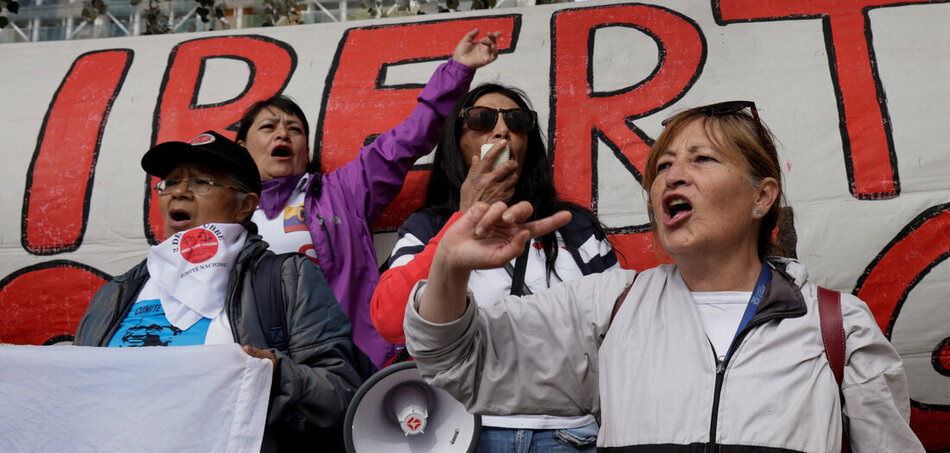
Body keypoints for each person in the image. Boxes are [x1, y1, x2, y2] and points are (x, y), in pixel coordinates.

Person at [402, 101, 924, 451]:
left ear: (762, 197)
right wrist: (448, 264)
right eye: (664, 165)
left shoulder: (838, 326)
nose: (673, 174)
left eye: (702, 159)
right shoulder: (608, 307)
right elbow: (456, 361)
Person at [74, 131, 363, 452]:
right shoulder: (115, 294)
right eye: (169, 182)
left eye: (201, 182)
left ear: (245, 206)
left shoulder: (285, 279)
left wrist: (276, 374)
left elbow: (342, 397)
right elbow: (75, 398)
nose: (179, 192)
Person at [371, 83, 618, 452]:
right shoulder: (427, 227)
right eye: (482, 119)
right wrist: (458, 225)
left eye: (518, 122)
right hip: (462, 433)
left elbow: (621, 333)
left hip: (569, 432)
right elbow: (391, 322)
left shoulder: (574, 227)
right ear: (456, 142)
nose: (502, 130)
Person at [235, 29, 500, 369]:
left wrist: (458, 70)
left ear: (306, 150)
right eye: (269, 127)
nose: (283, 133)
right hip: (249, 361)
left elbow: (407, 139)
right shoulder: (223, 213)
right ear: (241, 148)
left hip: (338, 363)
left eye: (295, 129)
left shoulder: (342, 191)